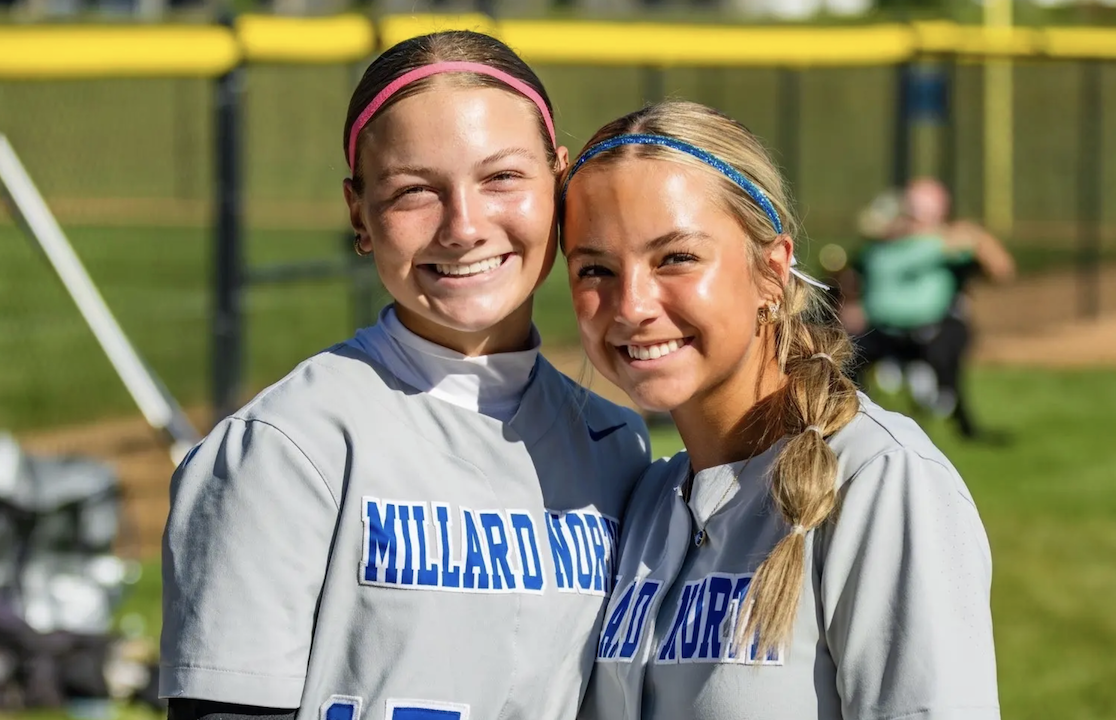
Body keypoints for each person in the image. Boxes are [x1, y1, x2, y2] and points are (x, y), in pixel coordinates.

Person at [160, 31, 651, 720]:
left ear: (560, 183)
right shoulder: (286, 448)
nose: (464, 227)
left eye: (502, 177)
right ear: (358, 214)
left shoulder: (617, 446)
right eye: (414, 191)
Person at [559, 101, 999, 719]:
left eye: (676, 258)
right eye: (595, 268)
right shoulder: (647, 501)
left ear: (772, 271)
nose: (631, 305)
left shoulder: (878, 479)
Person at [844, 178, 1016, 439]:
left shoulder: (943, 244)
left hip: (929, 331)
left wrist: (970, 236)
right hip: (877, 331)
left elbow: (1001, 268)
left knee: (949, 338)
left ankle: (949, 404)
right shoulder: (880, 247)